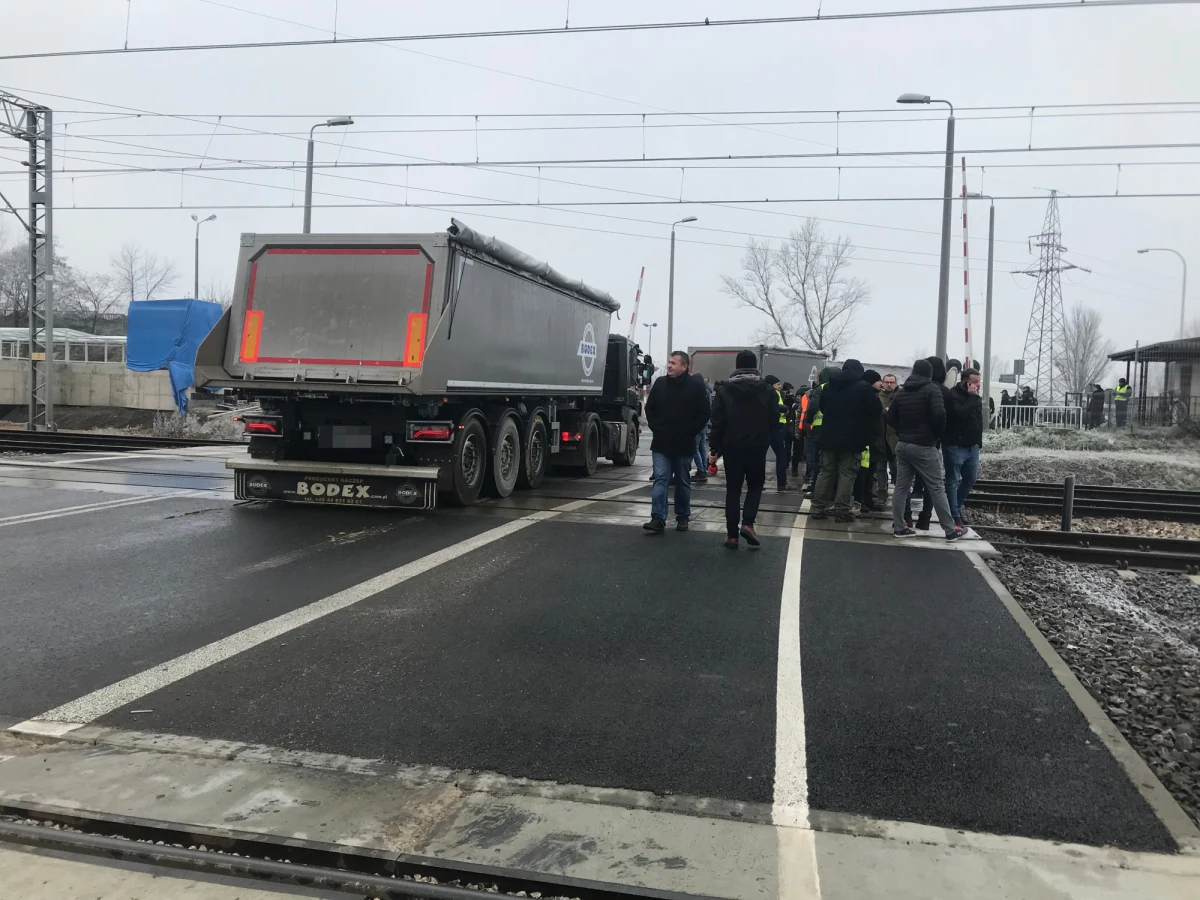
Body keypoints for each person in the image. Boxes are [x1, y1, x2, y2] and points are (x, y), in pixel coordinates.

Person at [887, 359, 968, 541]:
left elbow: (890, 417)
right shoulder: (933, 390)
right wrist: (936, 436)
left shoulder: (902, 392)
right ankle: (950, 530)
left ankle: (900, 528)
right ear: (929, 374)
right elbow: (940, 415)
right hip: (924, 445)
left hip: (903, 444)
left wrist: (903, 431)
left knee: (901, 487)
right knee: (936, 487)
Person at [708, 349, 775, 550]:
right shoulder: (766, 389)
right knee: (755, 486)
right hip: (757, 446)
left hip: (732, 446)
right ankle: (748, 523)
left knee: (733, 490)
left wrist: (714, 449)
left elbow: (718, 422)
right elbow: (774, 419)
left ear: (737, 366)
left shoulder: (725, 390)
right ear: (755, 366)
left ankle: (731, 536)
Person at [644, 350, 710, 534]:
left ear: (684, 366)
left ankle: (682, 515)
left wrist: (690, 431)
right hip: (661, 443)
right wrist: (656, 427)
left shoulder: (695, 387)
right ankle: (658, 517)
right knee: (661, 478)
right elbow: (650, 408)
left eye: (673, 363)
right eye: (669, 362)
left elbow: (705, 412)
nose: (669, 366)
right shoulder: (660, 383)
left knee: (682, 480)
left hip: (684, 443)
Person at [810, 359, 883, 522]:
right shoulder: (863, 387)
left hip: (828, 436)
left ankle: (817, 508)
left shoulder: (828, 386)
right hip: (853, 439)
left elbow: (822, 407)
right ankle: (842, 510)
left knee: (826, 472)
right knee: (847, 474)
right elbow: (876, 410)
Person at [943, 367, 983, 528]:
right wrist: (972, 397)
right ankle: (954, 513)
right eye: (974, 382)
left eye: (979, 382)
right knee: (953, 480)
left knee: (970, 478)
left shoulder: (976, 397)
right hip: (955, 444)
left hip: (972, 445)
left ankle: (957, 507)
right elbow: (961, 414)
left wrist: (978, 442)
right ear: (965, 381)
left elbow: (977, 421)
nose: (977, 385)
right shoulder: (953, 395)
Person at [803, 367, 837, 495]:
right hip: (833, 429)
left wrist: (809, 420)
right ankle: (831, 490)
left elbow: (813, 407)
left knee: (817, 460)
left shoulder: (820, 388)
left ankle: (816, 487)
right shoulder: (837, 387)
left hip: (819, 428)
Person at [764, 375, 790, 492]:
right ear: (772, 384)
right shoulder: (774, 393)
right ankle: (781, 483)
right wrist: (784, 408)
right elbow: (775, 409)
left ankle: (757, 482)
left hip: (763, 428)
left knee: (760, 456)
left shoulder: (761, 393)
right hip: (775, 427)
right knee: (781, 455)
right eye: (778, 384)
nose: (780, 386)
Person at [691, 373, 713, 482]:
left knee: (694, 448)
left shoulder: (700, 392)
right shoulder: (707, 391)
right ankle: (703, 469)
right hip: (705, 423)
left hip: (698, 424)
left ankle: (701, 471)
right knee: (702, 447)